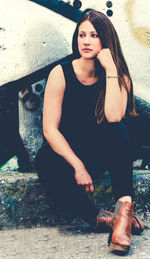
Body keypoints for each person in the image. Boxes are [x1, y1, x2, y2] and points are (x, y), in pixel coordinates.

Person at [35, 9, 144, 253]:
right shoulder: (61, 74)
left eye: (94, 35)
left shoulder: (119, 77)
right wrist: (77, 165)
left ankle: (124, 215)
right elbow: (50, 130)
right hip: (66, 155)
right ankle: (99, 218)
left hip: (98, 151)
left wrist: (111, 70)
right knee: (45, 162)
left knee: (119, 132)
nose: (86, 41)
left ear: (105, 40)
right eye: (82, 35)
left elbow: (113, 118)